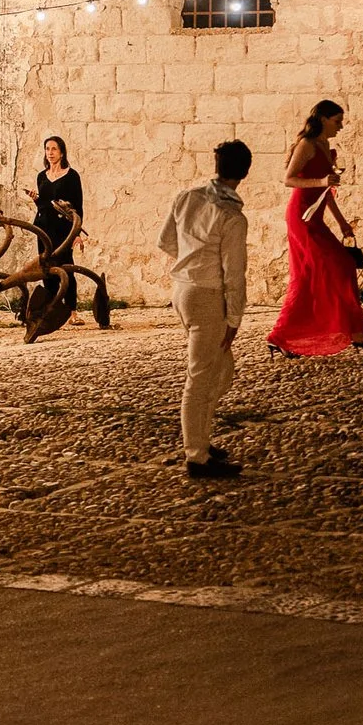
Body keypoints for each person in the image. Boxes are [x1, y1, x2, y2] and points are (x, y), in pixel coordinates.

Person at [158, 140, 253, 478]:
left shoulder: (186, 197)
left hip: (182, 291)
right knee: (199, 378)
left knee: (222, 371)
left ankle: (200, 436)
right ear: (245, 172)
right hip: (208, 298)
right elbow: (234, 273)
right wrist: (234, 318)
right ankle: (196, 455)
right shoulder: (232, 217)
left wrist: (191, 260)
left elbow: (165, 241)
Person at [267, 100, 363, 357]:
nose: (340, 126)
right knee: (337, 266)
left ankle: (282, 336)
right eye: (337, 121)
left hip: (317, 218)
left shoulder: (326, 148)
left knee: (314, 275)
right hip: (301, 217)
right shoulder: (307, 144)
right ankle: (357, 333)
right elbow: (289, 179)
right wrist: (322, 180)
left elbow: (326, 192)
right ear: (322, 119)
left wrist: (342, 222)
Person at [21, 134, 85, 322]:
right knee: (47, 268)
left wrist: (76, 233)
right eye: (47, 149)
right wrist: (36, 199)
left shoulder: (71, 176)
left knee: (66, 267)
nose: (50, 153)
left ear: (62, 152)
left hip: (63, 229)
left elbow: (78, 207)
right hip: (43, 228)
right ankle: (52, 309)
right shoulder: (42, 176)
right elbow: (44, 205)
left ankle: (72, 312)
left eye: (54, 149)